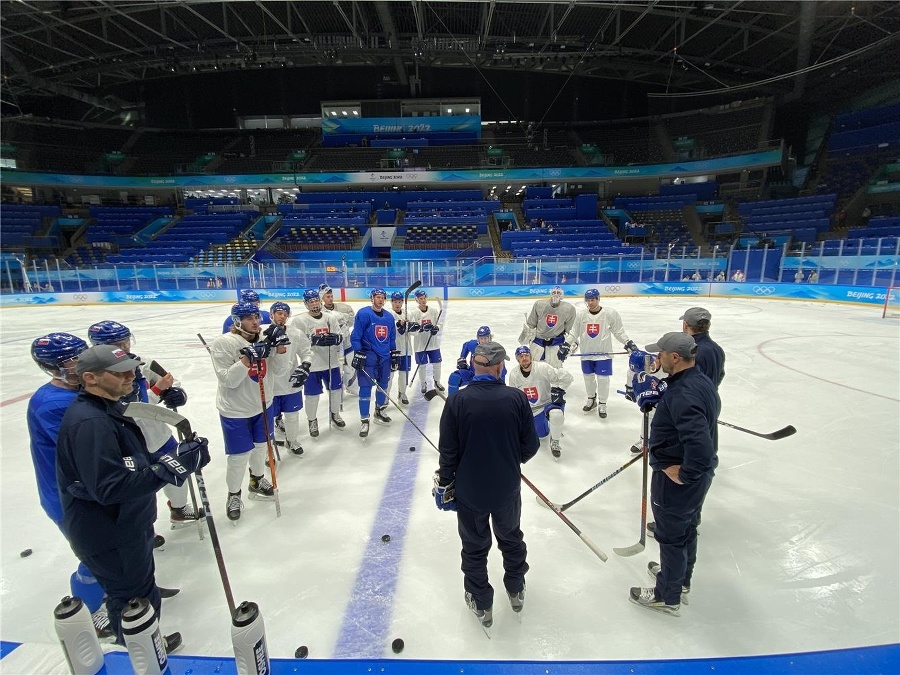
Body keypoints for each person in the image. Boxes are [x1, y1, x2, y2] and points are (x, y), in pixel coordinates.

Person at [56, 344, 210, 647]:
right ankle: (141, 653)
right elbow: (110, 488)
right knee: (131, 600)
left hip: (127, 524)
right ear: (91, 378)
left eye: (131, 369)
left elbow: (130, 464)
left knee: (141, 592)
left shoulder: (108, 407)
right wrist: (171, 468)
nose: (131, 376)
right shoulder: (91, 423)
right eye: (119, 373)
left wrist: (170, 462)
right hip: (110, 532)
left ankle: (146, 644)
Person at [434, 341, 539, 630]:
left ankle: (481, 601)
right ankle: (516, 587)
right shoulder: (516, 398)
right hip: (506, 488)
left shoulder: (457, 401)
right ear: (500, 367)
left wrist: (445, 484)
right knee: (511, 538)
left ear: (474, 366)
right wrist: (507, 459)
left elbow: (448, 452)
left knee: (474, 547)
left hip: (470, 492)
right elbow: (530, 446)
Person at [627, 332, 719, 616]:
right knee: (687, 528)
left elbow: (699, 444)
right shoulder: (699, 379)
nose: (658, 358)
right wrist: (659, 392)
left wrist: (686, 473)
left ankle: (667, 595)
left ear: (675, 357)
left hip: (677, 480)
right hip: (699, 478)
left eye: (662, 354)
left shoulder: (682, 394)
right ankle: (679, 580)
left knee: (671, 536)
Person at [28, 333, 111, 637]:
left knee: (110, 549)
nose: (82, 363)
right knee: (94, 556)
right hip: (68, 496)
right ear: (52, 367)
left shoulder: (79, 390)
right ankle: (89, 611)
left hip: (89, 487)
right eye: (72, 360)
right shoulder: (52, 404)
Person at [87, 320, 202, 529]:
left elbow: (168, 379)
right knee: (137, 490)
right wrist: (157, 391)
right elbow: (126, 410)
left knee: (178, 473)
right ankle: (143, 527)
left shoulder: (143, 363)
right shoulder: (97, 378)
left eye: (125, 342)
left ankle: (179, 509)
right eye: (116, 345)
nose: (124, 348)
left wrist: (176, 392)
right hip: (127, 443)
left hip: (158, 435)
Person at [209, 302, 292, 521]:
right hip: (235, 409)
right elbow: (228, 380)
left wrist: (281, 349)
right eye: (248, 318)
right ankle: (233, 494)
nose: (255, 322)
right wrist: (247, 359)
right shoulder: (224, 343)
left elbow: (281, 371)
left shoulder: (266, 337)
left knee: (260, 448)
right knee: (238, 456)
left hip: (263, 404)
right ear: (237, 321)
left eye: (256, 317)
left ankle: (256, 480)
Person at [571, 289, 638, 419]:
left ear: (598, 299)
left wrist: (628, 342)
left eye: (593, 299)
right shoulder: (581, 315)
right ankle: (591, 399)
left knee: (603, 380)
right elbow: (574, 332)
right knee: (588, 378)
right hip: (586, 354)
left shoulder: (609, 313)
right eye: (588, 300)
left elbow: (619, 331)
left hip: (603, 354)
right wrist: (567, 344)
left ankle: (602, 403)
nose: (590, 303)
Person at [290, 290, 346, 435]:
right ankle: (312, 420)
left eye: (316, 300)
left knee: (335, 391)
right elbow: (296, 343)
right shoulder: (299, 321)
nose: (314, 304)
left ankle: (335, 414)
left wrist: (336, 339)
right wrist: (312, 340)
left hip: (331, 363)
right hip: (312, 365)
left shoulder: (329, 318)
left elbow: (340, 335)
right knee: (312, 396)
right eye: (310, 302)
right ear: (305, 304)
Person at [506, 345, 573, 459]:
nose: (524, 358)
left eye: (526, 355)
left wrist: (560, 390)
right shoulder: (514, 374)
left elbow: (567, 377)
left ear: (531, 356)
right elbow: (514, 397)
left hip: (548, 403)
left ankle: (555, 441)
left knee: (556, 415)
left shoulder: (542, 368)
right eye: (521, 356)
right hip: (532, 410)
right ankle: (550, 428)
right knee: (542, 435)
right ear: (517, 359)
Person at [349, 288, 398, 438]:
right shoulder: (364, 314)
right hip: (368, 357)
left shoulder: (389, 317)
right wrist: (358, 352)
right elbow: (355, 336)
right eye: (377, 297)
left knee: (383, 386)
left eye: (383, 297)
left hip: (384, 358)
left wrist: (394, 354)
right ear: (372, 298)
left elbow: (391, 338)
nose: (380, 300)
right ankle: (365, 420)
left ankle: (379, 410)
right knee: (365, 389)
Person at [266, 301, 312, 454]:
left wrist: (305, 365)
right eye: (279, 313)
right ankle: (268, 448)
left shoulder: (295, 333)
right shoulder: (262, 334)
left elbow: (306, 351)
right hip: (270, 386)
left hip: (290, 383)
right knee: (267, 420)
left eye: (285, 314)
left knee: (292, 416)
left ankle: (291, 441)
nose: (282, 317)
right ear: (271, 314)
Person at [521, 286, 577, 368]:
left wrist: (571, 344)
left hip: (556, 343)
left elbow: (571, 330)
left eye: (558, 293)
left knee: (555, 372)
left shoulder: (569, 309)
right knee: (534, 369)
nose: (556, 295)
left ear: (562, 295)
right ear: (550, 294)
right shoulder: (539, 304)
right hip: (538, 342)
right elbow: (531, 324)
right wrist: (525, 337)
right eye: (554, 293)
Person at [447, 326, 506, 396]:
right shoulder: (473, 344)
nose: (483, 341)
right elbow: (466, 345)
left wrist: (501, 387)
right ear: (478, 338)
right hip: (472, 374)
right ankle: (452, 402)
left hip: (488, 379)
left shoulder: (495, 350)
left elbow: (502, 371)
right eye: (481, 338)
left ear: (490, 338)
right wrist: (462, 358)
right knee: (454, 377)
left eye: (485, 338)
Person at [319, 284, 355, 392]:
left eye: (331, 296)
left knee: (351, 368)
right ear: (322, 298)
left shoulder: (344, 307)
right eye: (327, 297)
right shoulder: (319, 311)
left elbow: (351, 321)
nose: (330, 299)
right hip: (332, 347)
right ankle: (334, 388)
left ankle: (351, 386)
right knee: (334, 369)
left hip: (347, 343)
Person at [408, 289, 444, 394]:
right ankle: (423, 383)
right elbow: (411, 331)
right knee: (422, 365)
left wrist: (436, 328)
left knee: (437, 363)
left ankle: (437, 381)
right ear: (416, 300)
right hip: (420, 345)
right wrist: (421, 329)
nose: (423, 300)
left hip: (433, 344)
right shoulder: (413, 313)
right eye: (420, 299)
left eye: (424, 298)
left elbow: (439, 323)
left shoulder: (433, 310)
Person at [388, 291, 413, 404]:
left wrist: (414, 327)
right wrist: (399, 323)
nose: (397, 304)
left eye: (399, 301)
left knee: (404, 374)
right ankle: (385, 395)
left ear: (402, 302)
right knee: (390, 375)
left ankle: (402, 393)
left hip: (406, 349)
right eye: (395, 301)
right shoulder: (388, 314)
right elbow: (391, 327)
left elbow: (414, 333)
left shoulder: (408, 314)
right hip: (393, 350)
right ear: (391, 302)